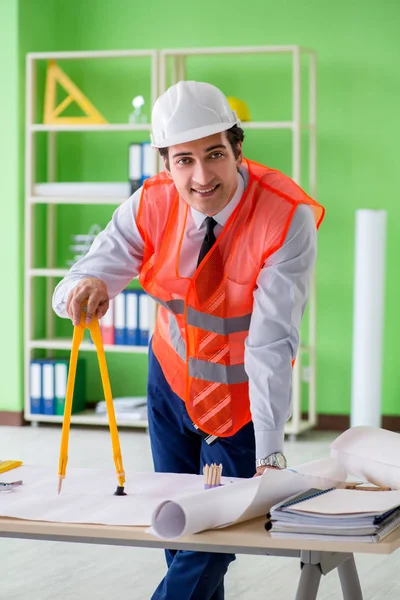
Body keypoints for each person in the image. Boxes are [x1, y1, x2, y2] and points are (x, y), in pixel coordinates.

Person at [52, 80, 324, 600]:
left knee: (209, 540)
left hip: (241, 400)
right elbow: (79, 280)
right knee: (177, 530)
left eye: (215, 154)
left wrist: (270, 453)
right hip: (171, 385)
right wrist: (79, 291)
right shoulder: (149, 205)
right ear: (165, 162)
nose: (202, 176)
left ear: (238, 149)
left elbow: (271, 342)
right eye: (184, 160)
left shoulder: (285, 217)